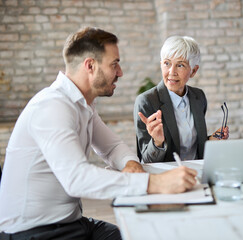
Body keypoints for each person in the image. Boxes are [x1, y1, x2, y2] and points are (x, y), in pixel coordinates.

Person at [0, 27, 198, 240]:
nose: (120, 72)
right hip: (34, 232)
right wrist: (155, 183)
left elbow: (112, 147)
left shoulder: (82, 105)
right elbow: (77, 178)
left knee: (142, 233)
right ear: (90, 66)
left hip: (73, 223)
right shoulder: (51, 106)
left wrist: (131, 165)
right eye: (115, 64)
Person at [134, 36, 229, 163]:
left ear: (193, 71)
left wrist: (213, 139)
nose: (171, 72)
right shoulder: (146, 101)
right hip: (168, 177)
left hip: (197, 173)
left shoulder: (198, 97)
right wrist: (157, 142)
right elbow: (146, 160)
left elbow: (193, 146)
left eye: (180, 65)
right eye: (167, 63)